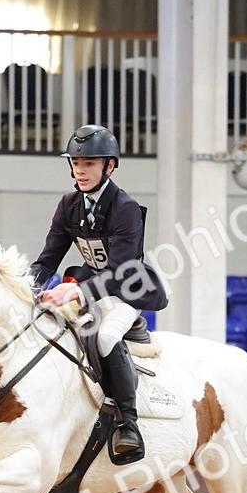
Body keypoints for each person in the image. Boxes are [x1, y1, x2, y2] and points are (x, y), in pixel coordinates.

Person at [31, 124, 168, 459]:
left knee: (105, 337)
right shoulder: (68, 205)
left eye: (89, 163)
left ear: (109, 166)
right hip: (90, 284)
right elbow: (48, 258)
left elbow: (119, 272)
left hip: (125, 290)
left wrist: (74, 294)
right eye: (76, 163)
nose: (80, 170)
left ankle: (128, 424)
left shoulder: (126, 208)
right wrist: (25, 287)